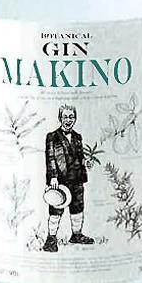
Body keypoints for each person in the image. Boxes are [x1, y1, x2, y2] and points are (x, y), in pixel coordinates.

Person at [43, 104, 95, 252]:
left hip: (77, 178)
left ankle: (76, 235)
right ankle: (51, 238)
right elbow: (50, 158)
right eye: (65, 117)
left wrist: (86, 162)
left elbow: (80, 156)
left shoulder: (78, 137)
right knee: (56, 208)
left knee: (77, 207)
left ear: (75, 119)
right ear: (60, 118)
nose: (68, 120)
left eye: (71, 117)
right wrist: (53, 177)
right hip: (60, 180)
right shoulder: (52, 136)